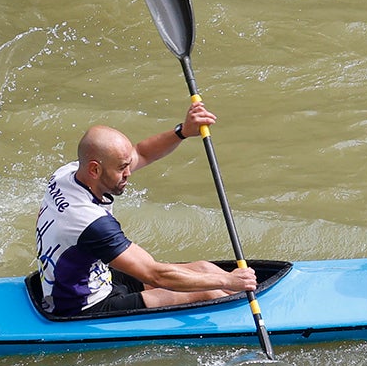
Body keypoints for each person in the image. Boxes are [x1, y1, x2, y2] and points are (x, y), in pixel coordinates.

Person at [34, 101, 258, 317]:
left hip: (92, 275)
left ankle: (250, 297)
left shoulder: (67, 173)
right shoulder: (92, 223)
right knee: (207, 293)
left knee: (204, 269)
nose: (129, 173)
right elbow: (156, 275)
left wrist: (183, 131)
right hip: (81, 305)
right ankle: (247, 318)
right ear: (94, 170)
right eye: (122, 168)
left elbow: (141, 153)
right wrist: (228, 281)